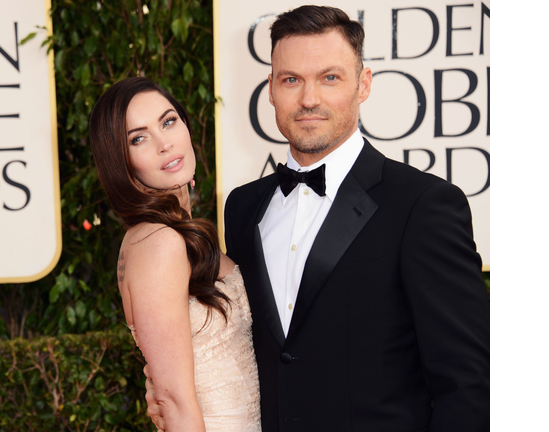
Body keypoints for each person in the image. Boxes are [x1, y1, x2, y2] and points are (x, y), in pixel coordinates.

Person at [145, 5, 489, 432]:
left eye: (330, 77)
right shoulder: (243, 207)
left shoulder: (423, 205)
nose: (309, 99)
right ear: (270, 89)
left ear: (363, 85)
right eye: (291, 80)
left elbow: (469, 385)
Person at [88, 77, 262, 432]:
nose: (164, 143)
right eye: (138, 138)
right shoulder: (159, 242)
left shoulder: (176, 233)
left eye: (168, 121)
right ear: (121, 161)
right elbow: (173, 399)